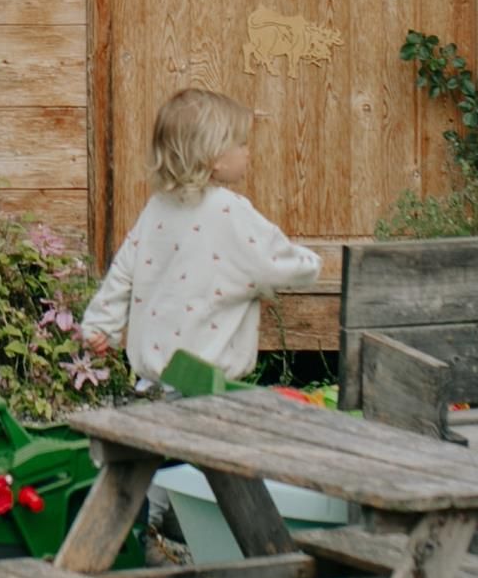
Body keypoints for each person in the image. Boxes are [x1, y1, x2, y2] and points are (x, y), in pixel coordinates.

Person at [82, 88, 322, 385]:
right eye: (242, 143)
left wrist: (101, 325)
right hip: (208, 386)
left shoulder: (157, 208)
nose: (248, 151)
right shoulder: (230, 211)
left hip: (154, 382)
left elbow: (123, 272)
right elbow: (274, 263)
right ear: (215, 158)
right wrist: (311, 263)